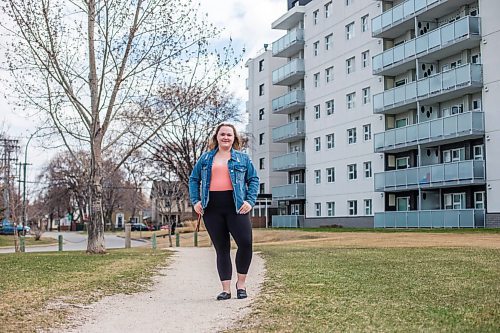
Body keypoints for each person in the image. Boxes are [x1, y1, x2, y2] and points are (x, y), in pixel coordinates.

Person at [189, 123, 259, 300]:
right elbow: (193, 179)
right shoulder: (206, 159)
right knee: (222, 248)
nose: (226, 137)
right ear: (217, 137)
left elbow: (253, 179)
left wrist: (250, 201)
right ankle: (226, 289)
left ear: (234, 138)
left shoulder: (243, 159)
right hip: (212, 207)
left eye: (229, 134)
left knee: (245, 243)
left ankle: (241, 285)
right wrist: (196, 201)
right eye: (222, 134)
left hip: (236, 206)